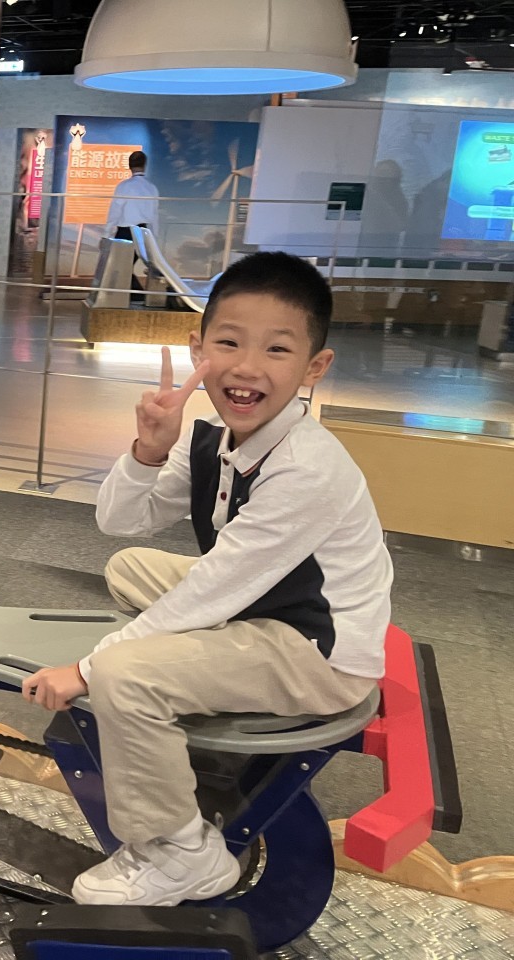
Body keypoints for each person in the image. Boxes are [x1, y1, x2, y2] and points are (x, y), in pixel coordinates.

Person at [22, 251, 392, 907]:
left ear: (314, 367)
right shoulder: (215, 437)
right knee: (128, 568)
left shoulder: (306, 468)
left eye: (277, 349)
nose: (247, 366)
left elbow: (216, 587)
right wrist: (149, 448)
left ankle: (181, 854)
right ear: (199, 349)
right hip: (265, 605)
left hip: (319, 653)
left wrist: (87, 668)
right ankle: (189, 671)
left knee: (123, 673)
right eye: (229, 342)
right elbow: (120, 521)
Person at [104, 151, 161, 302]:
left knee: (121, 267)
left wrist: (106, 234)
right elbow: (154, 215)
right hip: (143, 232)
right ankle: (135, 296)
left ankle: (136, 296)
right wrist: (154, 238)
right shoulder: (152, 188)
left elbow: (115, 211)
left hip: (125, 233)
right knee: (125, 267)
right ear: (145, 165)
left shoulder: (124, 186)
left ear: (129, 166)